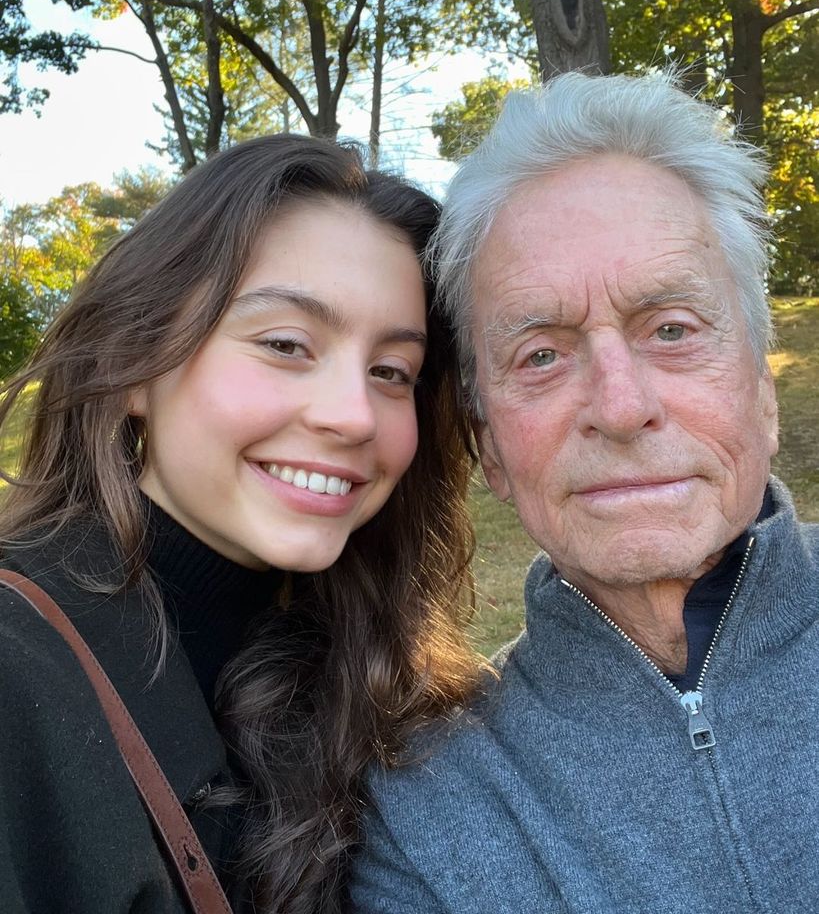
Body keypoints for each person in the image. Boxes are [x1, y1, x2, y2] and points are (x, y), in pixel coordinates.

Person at [349, 71, 819, 914]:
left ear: (761, 392)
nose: (620, 405)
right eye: (540, 354)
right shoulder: (426, 811)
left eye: (672, 330)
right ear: (488, 446)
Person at [0, 134, 482, 914]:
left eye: (391, 371)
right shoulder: (19, 668)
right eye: (286, 344)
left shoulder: (390, 682)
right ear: (134, 359)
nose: (353, 415)